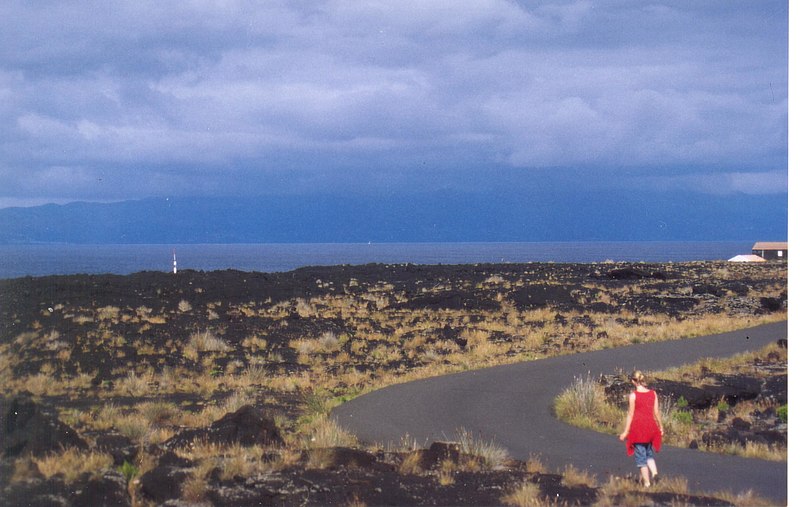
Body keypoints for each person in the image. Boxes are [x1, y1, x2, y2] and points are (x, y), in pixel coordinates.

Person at [618, 370, 663, 487]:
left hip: (638, 430)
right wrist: (661, 426)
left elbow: (631, 415)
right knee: (649, 454)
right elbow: (656, 412)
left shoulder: (633, 396)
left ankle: (647, 483)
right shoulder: (653, 393)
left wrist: (625, 432)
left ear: (633, 381)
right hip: (651, 428)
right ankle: (654, 473)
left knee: (641, 458)